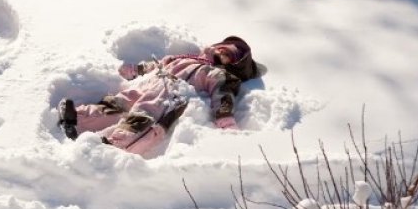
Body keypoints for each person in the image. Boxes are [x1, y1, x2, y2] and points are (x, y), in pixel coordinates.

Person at [57, 36, 264, 157]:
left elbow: (222, 93)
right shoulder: (184, 58)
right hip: (152, 82)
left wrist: (224, 118)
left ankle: (115, 147)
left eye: (228, 54)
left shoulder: (217, 74)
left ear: (232, 64)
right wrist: (137, 70)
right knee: (118, 102)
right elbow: (158, 65)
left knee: (144, 116)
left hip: (171, 93)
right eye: (222, 47)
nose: (221, 51)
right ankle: (78, 118)